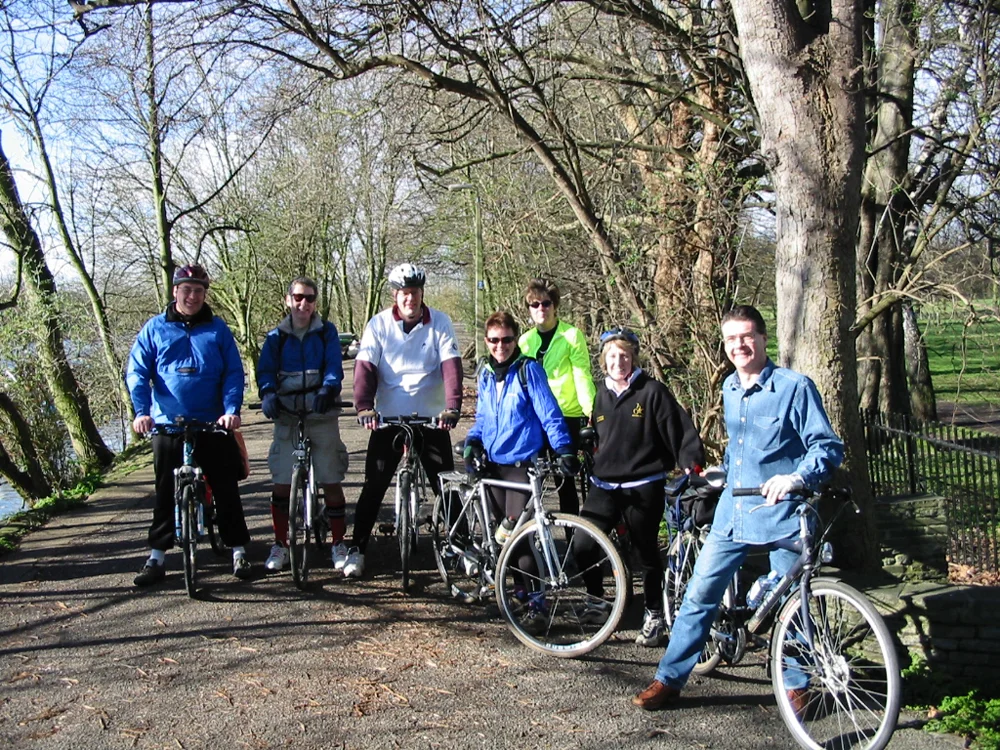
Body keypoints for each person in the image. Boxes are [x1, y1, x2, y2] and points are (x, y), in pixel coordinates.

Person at [632, 304, 844, 712]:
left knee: (791, 602)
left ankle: (797, 684)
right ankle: (669, 679)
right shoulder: (729, 387)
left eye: (747, 336)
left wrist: (797, 478)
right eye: (731, 338)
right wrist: (721, 471)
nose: (739, 345)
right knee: (700, 594)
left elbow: (826, 447)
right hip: (734, 511)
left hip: (783, 512)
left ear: (763, 338)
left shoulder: (794, 388)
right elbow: (740, 447)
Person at [574, 328, 704, 642]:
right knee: (582, 545)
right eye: (612, 356)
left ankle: (654, 613)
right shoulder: (600, 395)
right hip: (604, 484)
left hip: (643, 484)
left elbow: (679, 430)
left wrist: (692, 463)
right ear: (604, 360)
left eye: (624, 355)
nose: (618, 362)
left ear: (633, 358)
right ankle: (597, 600)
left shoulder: (652, 391)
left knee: (646, 552)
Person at [126, 263, 253, 586]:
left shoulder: (218, 329)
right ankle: (156, 557)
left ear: (205, 294)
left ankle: (238, 550)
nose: (192, 296)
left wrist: (230, 410)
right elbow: (137, 372)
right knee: (164, 490)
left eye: (198, 290)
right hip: (167, 423)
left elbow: (233, 373)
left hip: (211, 422)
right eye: (186, 290)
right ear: (175, 291)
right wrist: (142, 412)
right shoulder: (155, 328)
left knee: (225, 486)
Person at [346, 263, 463, 578]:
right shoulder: (379, 324)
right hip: (389, 418)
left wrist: (452, 406)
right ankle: (357, 549)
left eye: (414, 292)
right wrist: (364, 407)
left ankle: (463, 546)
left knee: (446, 486)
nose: (410, 298)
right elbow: (365, 368)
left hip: (431, 418)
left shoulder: (440, 322)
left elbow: (451, 366)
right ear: (395, 295)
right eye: (404, 293)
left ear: (422, 293)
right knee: (374, 485)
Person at [464, 311, 576, 633]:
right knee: (504, 542)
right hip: (492, 465)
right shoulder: (486, 374)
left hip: (521, 465)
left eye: (507, 339)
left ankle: (538, 605)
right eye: (494, 340)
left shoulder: (529, 370)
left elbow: (549, 413)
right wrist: (473, 441)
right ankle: (520, 595)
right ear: (486, 341)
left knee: (517, 536)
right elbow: (483, 417)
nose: (500, 346)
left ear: (516, 340)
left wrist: (564, 448)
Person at [256, 277, 350, 572]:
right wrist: (267, 393)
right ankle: (280, 544)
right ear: (288, 300)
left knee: (331, 477)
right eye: (298, 297)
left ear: (315, 302)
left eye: (309, 298)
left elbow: (334, 366)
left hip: (320, 411)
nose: (303, 303)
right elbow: (265, 371)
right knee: (282, 480)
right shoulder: (276, 337)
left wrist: (328, 390)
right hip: (287, 412)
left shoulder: (326, 332)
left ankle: (338, 542)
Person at [518, 279, 596, 515]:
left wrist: (591, 411)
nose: (541, 308)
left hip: (565, 415)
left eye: (546, 303)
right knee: (531, 480)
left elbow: (581, 375)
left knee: (566, 479)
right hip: (535, 417)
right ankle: (532, 531)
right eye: (534, 304)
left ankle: (572, 533)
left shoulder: (571, 335)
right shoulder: (524, 341)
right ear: (529, 309)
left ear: (555, 306)